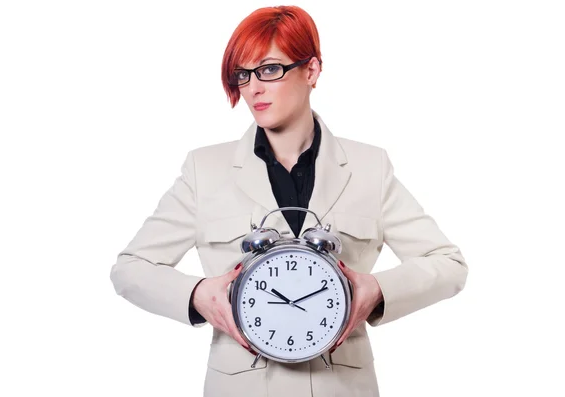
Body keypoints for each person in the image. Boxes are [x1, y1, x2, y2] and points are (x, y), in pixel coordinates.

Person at [109, 5, 468, 397]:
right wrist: (198, 296)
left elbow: (448, 264)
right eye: (243, 75)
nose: (253, 89)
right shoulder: (204, 169)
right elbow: (130, 268)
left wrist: (376, 291)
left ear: (311, 70)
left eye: (269, 70)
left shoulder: (369, 167)